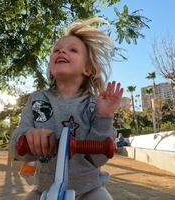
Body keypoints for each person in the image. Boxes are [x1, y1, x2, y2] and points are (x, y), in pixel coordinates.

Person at [10, 17, 123, 200]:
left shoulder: (95, 104)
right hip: (44, 190)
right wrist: (28, 137)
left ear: (87, 69)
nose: (61, 50)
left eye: (72, 50)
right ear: (50, 66)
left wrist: (104, 116)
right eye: (56, 50)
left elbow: (99, 159)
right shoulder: (37, 100)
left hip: (89, 189)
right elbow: (15, 148)